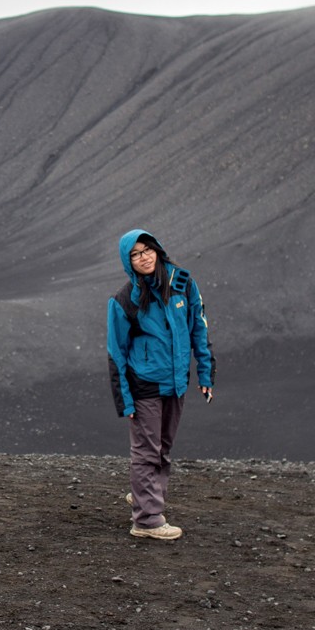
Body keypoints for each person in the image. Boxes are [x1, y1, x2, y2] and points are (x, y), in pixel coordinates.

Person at [106, 229, 213, 541]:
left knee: (163, 448)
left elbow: (199, 328)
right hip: (145, 385)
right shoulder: (124, 300)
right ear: (128, 262)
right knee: (146, 452)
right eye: (135, 255)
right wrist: (124, 401)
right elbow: (116, 353)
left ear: (158, 249)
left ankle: (146, 494)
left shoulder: (182, 283)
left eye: (147, 250)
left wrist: (205, 373)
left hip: (177, 382)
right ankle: (147, 519)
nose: (144, 257)